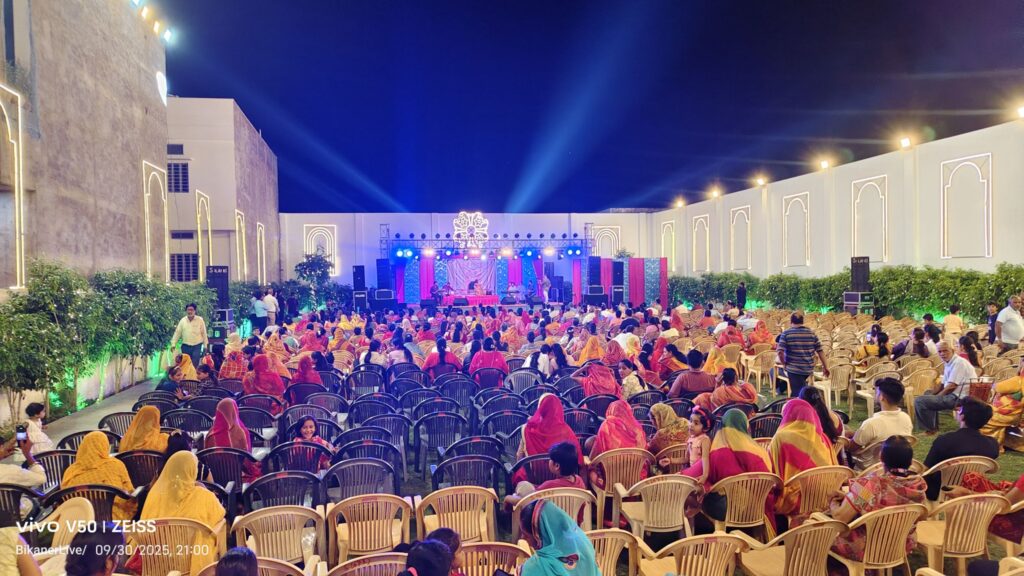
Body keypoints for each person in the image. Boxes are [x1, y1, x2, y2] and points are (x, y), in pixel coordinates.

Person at [826, 436, 926, 562]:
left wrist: (833, 502)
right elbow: (921, 516)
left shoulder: (870, 486)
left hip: (868, 549)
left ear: (881, 457)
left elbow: (840, 518)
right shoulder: (918, 485)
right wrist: (849, 498)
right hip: (901, 545)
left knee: (815, 530)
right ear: (911, 461)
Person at [140, 451, 224, 573]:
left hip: (158, 559)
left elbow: (144, 527)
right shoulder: (203, 496)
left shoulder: (154, 495)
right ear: (192, 470)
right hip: (191, 558)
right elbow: (220, 514)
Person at [703, 409, 774, 525]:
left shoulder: (716, 452)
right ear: (745, 426)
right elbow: (770, 481)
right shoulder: (758, 451)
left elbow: (709, 478)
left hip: (726, 510)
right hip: (758, 507)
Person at [922, 397, 999, 501]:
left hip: (939, 492)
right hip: (971, 490)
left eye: (959, 410)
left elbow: (926, 469)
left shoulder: (945, 440)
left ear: (962, 416)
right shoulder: (992, 445)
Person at [769, 398, 837, 516]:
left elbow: (772, 471)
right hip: (825, 496)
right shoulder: (823, 438)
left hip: (798, 501)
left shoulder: (782, 438)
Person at [61, 432, 135, 520]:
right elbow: (129, 491)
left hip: (81, 519)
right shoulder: (116, 464)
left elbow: (65, 497)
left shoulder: (70, 471)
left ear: (83, 447)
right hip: (112, 517)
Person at [514, 395, 583, 484]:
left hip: (535, 481)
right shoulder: (567, 431)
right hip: (564, 481)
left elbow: (519, 457)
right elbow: (578, 457)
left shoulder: (528, 430)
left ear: (541, 409)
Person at [519, 500, 598, 576]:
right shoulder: (584, 543)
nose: (523, 538)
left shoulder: (537, 567)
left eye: (526, 535)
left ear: (539, 537)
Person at [913, 340, 977, 434]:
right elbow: (943, 384)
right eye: (940, 351)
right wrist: (932, 395)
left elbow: (951, 386)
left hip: (960, 398)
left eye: (945, 350)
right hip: (954, 394)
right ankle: (933, 426)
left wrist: (937, 397)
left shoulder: (959, 362)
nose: (942, 353)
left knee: (920, 401)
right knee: (927, 393)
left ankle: (929, 430)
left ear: (952, 350)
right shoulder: (949, 362)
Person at [505, 441, 586, 508]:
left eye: (550, 459)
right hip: (572, 520)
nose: (548, 461)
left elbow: (526, 501)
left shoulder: (549, 486)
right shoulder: (580, 481)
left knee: (523, 486)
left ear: (557, 466)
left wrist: (508, 498)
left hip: (547, 521)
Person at [846, 377, 913, 453]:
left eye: (876, 392)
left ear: (881, 397)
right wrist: (856, 434)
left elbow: (851, 448)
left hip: (871, 460)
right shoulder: (906, 418)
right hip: (898, 459)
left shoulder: (871, 424)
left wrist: (842, 439)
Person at [588, 401, 646, 488]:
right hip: (636, 481)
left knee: (589, 468)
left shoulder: (606, 426)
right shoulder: (637, 428)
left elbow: (593, 458)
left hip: (610, 483)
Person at [205, 398, 261, 482]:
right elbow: (247, 460)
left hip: (215, 479)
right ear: (234, 411)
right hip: (237, 477)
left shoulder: (210, 434)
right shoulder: (241, 432)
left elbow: (207, 458)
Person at [777, 312, 829, 397]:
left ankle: (798, 404)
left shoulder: (786, 333)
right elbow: (820, 351)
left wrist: (784, 363)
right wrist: (825, 367)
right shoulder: (811, 333)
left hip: (793, 369)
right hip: (807, 369)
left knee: (797, 393)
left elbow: (780, 352)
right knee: (797, 390)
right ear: (802, 321)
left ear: (791, 322)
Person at [980, 357, 1024, 447]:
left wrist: (994, 385)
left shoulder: (1018, 380)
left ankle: (987, 443)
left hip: (1007, 413)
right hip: (1016, 414)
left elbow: (998, 387)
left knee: (981, 417)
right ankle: (998, 442)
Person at [169, 303, 208, 370]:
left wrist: (205, 346)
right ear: (186, 311)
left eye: (191, 310)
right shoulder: (183, 320)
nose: (190, 311)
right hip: (185, 346)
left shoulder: (200, 320)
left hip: (197, 345)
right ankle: (186, 376)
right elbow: (177, 333)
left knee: (194, 363)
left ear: (195, 311)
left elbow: (204, 333)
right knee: (185, 363)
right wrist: (173, 344)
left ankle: (193, 375)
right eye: (188, 310)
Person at [680, 407, 712, 487]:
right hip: (692, 470)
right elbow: (686, 459)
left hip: (699, 473)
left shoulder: (704, 440)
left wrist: (704, 476)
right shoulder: (691, 438)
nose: (691, 425)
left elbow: (705, 459)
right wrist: (670, 460)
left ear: (705, 428)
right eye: (690, 421)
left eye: (696, 423)